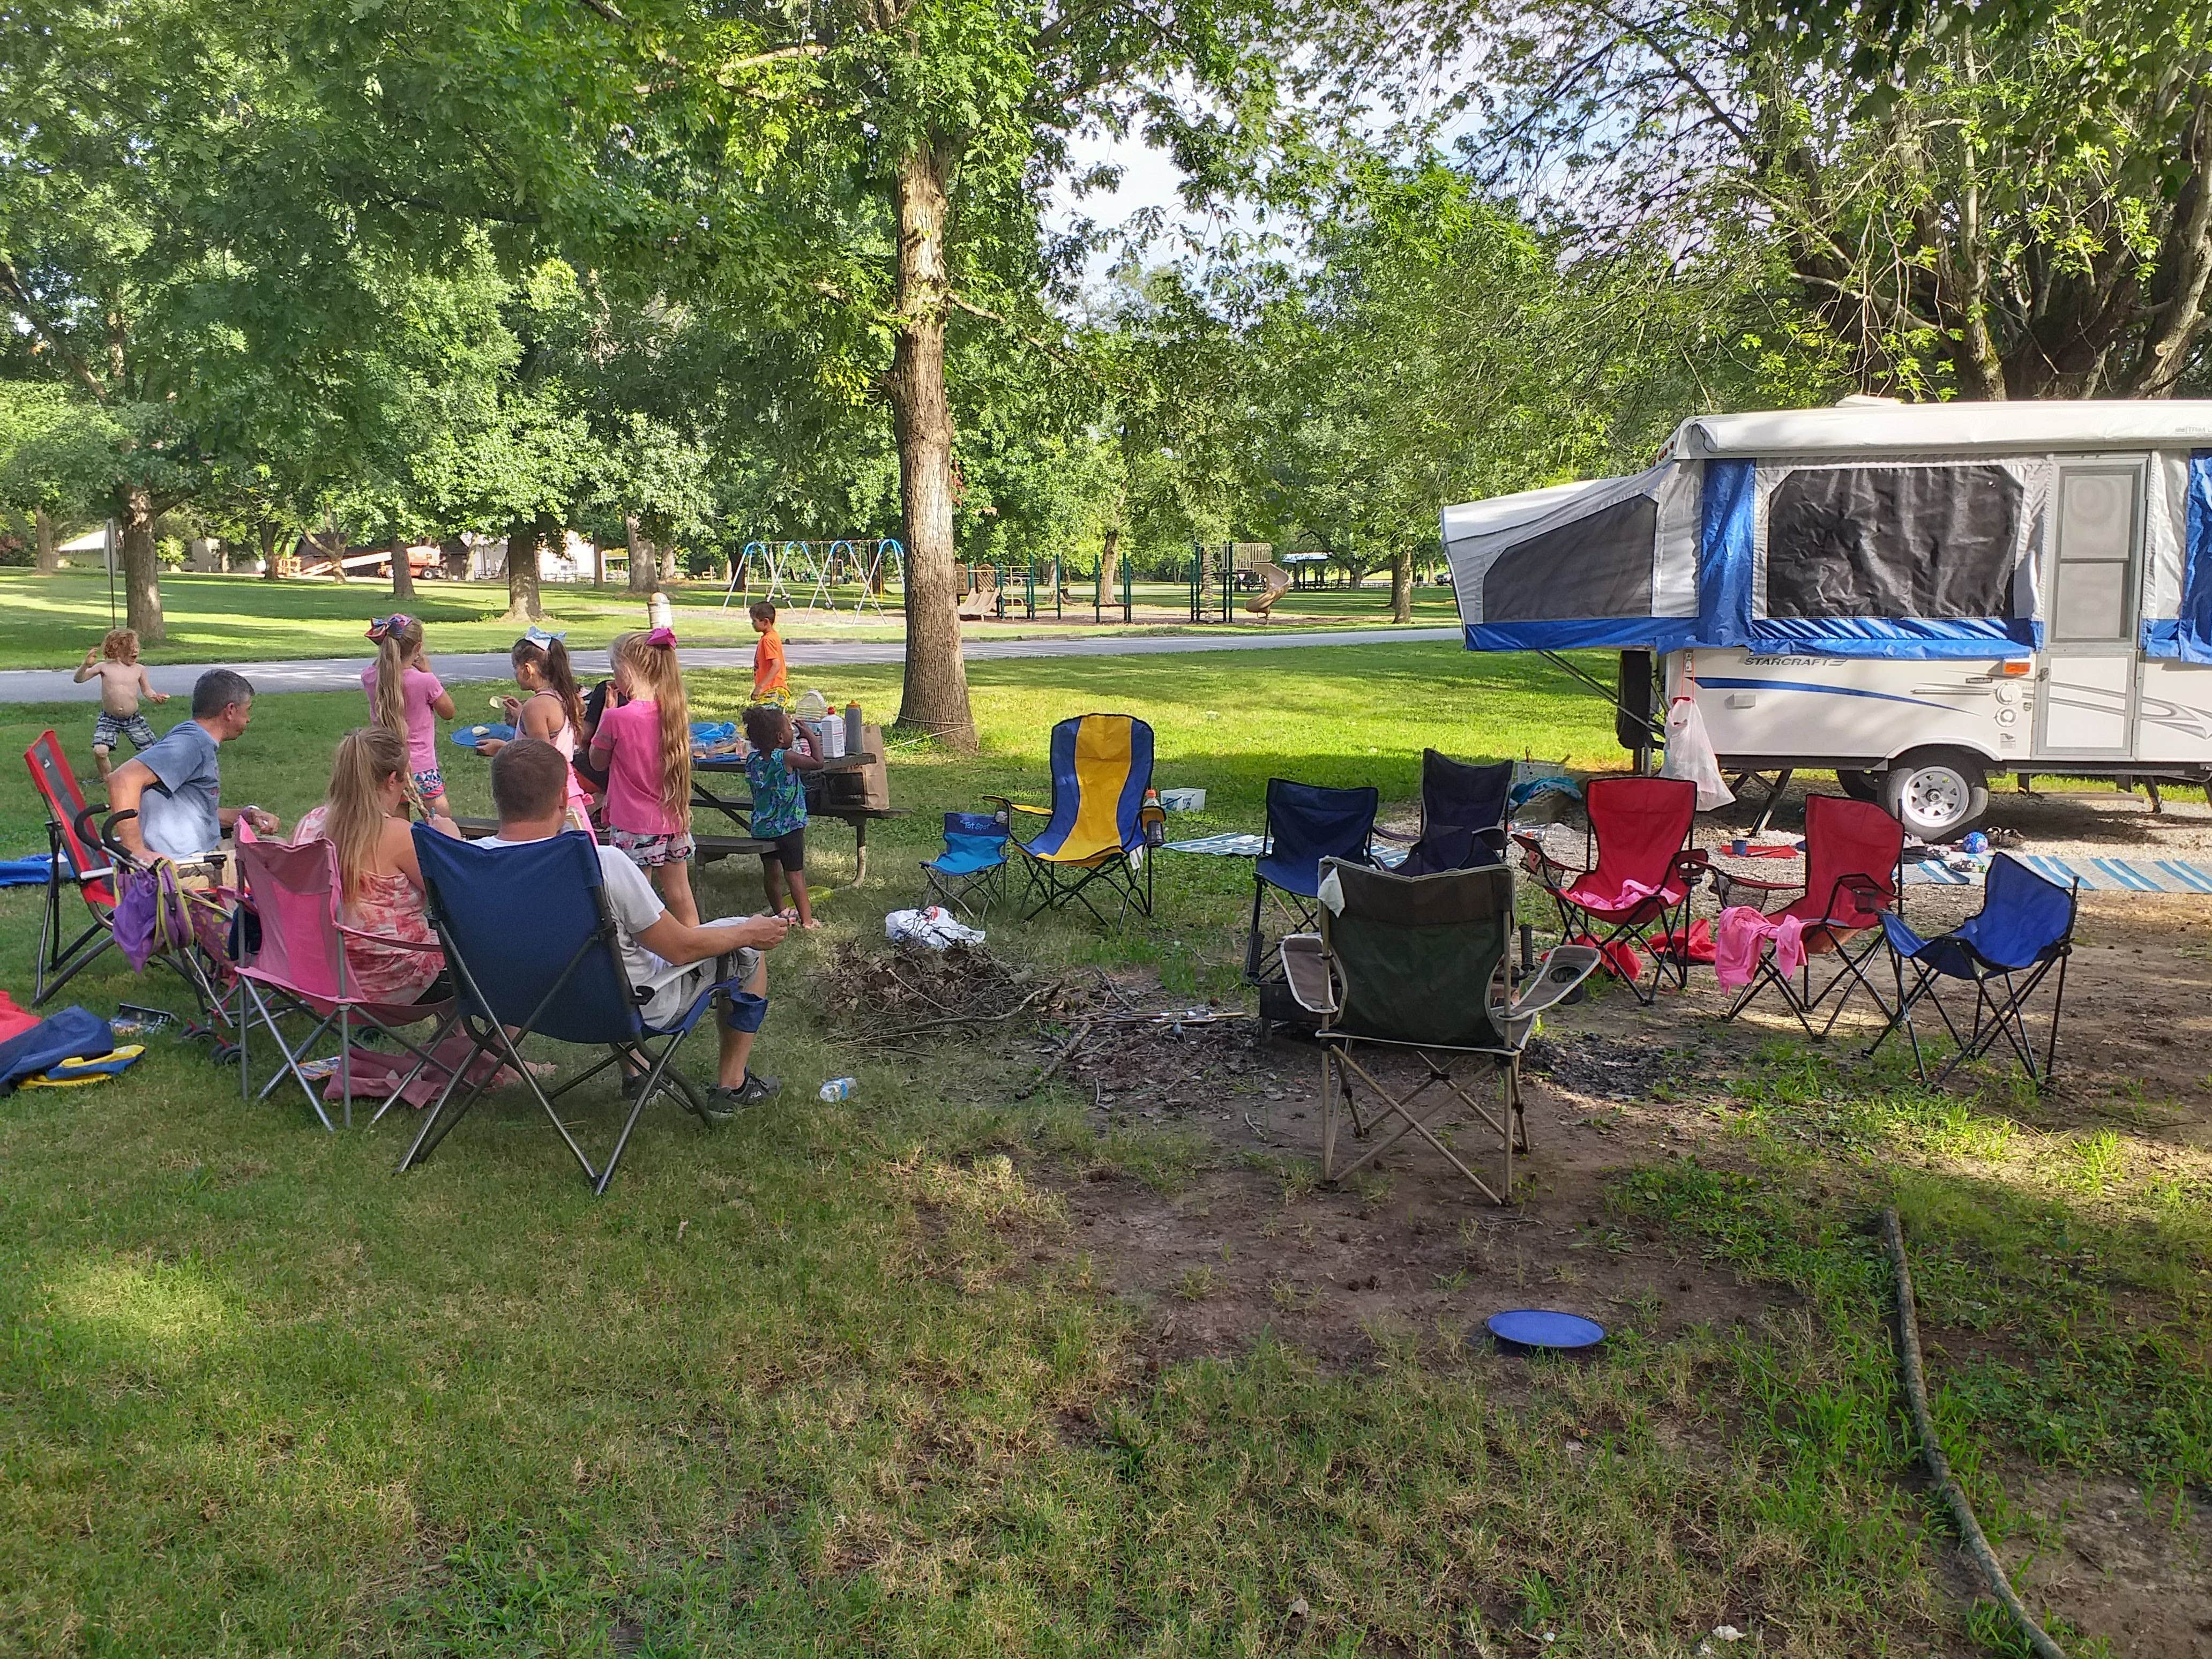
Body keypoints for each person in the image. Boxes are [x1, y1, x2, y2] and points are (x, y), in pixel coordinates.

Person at [481, 738, 787, 1116]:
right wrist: (748, 933)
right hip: (621, 1008)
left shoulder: (469, 862)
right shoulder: (602, 863)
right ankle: (733, 1086)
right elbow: (680, 949)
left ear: (496, 795)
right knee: (746, 951)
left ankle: (638, 1073)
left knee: (606, 958)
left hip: (517, 1003)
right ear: (564, 798)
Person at [290, 727, 459, 1003]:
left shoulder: (311, 823)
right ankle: (486, 1045)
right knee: (490, 956)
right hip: (387, 980)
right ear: (393, 780)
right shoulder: (397, 835)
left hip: (320, 974)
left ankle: (459, 1041)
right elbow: (454, 896)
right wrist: (450, 841)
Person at [104, 668, 280, 871]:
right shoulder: (192, 743)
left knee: (283, 850)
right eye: (247, 710)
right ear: (230, 711)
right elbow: (122, 779)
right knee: (289, 862)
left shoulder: (193, 736)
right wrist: (135, 851)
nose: (248, 719)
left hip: (201, 853)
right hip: (188, 864)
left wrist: (247, 815)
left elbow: (196, 814)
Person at [588, 626, 699, 924]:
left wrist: (605, 714)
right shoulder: (674, 713)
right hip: (673, 821)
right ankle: (697, 954)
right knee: (680, 894)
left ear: (626, 671)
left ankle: (645, 960)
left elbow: (596, 762)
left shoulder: (616, 718)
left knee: (637, 901)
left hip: (633, 825)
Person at [474, 626, 593, 831]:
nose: (515, 673)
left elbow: (539, 761)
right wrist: (522, 717)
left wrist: (502, 749)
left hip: (549, 797)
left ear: (528, 669)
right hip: (566, 788)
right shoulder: (561, 697)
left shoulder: (536, 707)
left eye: (516, 667)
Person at [361, 614, 458, 826]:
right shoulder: (425, 681)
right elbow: (449, 712)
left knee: (398, 825)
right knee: (441, 824)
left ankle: (405, 856)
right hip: (423, 767)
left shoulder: (369, 677)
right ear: (418, 648)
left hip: (388, 766)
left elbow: (382, 670)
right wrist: (430, 673)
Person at [741, 704, 824, 929]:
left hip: (763, 827)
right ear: (780, 737)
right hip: (790, 827)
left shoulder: (752, 760)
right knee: (795, 875)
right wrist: (810, 735)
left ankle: (782, 913)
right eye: (789, 729)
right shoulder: (787, 757)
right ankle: (807, 922)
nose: (792, 732)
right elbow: (818, 763)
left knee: (772, 874)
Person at [76, 628, 169, 780]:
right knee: (100, 751)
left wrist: (156, 697)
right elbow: (79, 679)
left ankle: (156, 777)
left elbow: (147, 691)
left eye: (137, 648)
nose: (136, 652)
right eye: (131, 649)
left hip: (133, 719)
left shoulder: (139, 669)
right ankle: (108, 779)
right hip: (109, 718)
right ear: (117, 649)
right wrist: (85, 665)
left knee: (154, 750)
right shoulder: (104, 667)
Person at [749, 601, 789, 706]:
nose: (752, 624)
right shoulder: (773, 636)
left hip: (772, 691)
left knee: (764, 720)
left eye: (754, 621)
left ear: (766, 622)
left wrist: (760, 687)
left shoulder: (768, 640)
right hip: (774, 689)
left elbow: (776, 665)